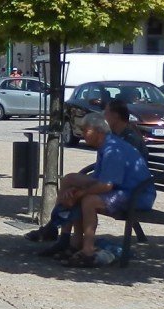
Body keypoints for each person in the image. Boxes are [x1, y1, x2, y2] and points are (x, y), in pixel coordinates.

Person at [24, 114, 155, 266]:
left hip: (136, 195)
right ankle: (65, 238)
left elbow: (106, 185)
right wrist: (75, 190)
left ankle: (87, 249)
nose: (82, 133)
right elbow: (100, 179)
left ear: (99, 132)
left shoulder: (113, 150)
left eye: (86, 130)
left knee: (89, 200)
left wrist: (80, 193)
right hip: (121, 188)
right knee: (70, 180)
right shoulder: (105, 145)